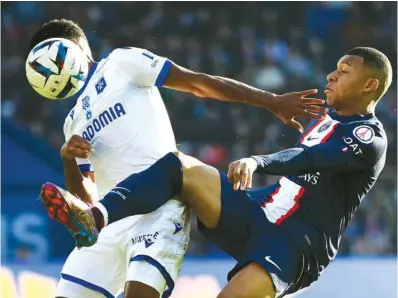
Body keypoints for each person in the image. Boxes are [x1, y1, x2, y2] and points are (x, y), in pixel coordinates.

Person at [41, 47, 391, 298]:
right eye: (335, 67)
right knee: (179, 166)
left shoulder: (368, 137)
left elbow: (310, 159)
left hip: (296, 243)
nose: (332, 74)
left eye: (344, 70)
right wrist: (272, 101)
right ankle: (95, 218)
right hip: (259, 211)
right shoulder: (326, 120)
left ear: (369, 86)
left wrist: (258, 162)